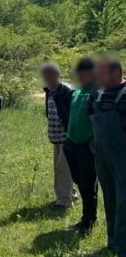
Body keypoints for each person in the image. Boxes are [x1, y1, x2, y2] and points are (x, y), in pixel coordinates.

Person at [89, 56, 126, 257]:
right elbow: (90, 111)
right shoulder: (98, 93)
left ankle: (124, 249)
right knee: (110, 198)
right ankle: (113, 241)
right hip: (103, 157)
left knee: (124, 202)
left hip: (124, 158)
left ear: (115, 73)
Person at [64, 58, 98, 237]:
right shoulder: (78, 90)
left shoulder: (98, 90)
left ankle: (89, 221)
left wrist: (93, 143)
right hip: (72, 143)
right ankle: (88, 216)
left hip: (87, 146)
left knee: (88, 185)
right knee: (80, 181)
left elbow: (101, 121)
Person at [41, 62, 76, 209]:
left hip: (67, 136)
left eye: (50, 75)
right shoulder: (50, 90)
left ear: (57, 75)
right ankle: (71, 193)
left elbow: (74, 115)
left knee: (63, 168)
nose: (47, 78)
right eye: (45, 75)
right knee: (62, 167)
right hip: (55, 137)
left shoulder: (68, 90)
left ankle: (63, 201)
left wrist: (72, 134)